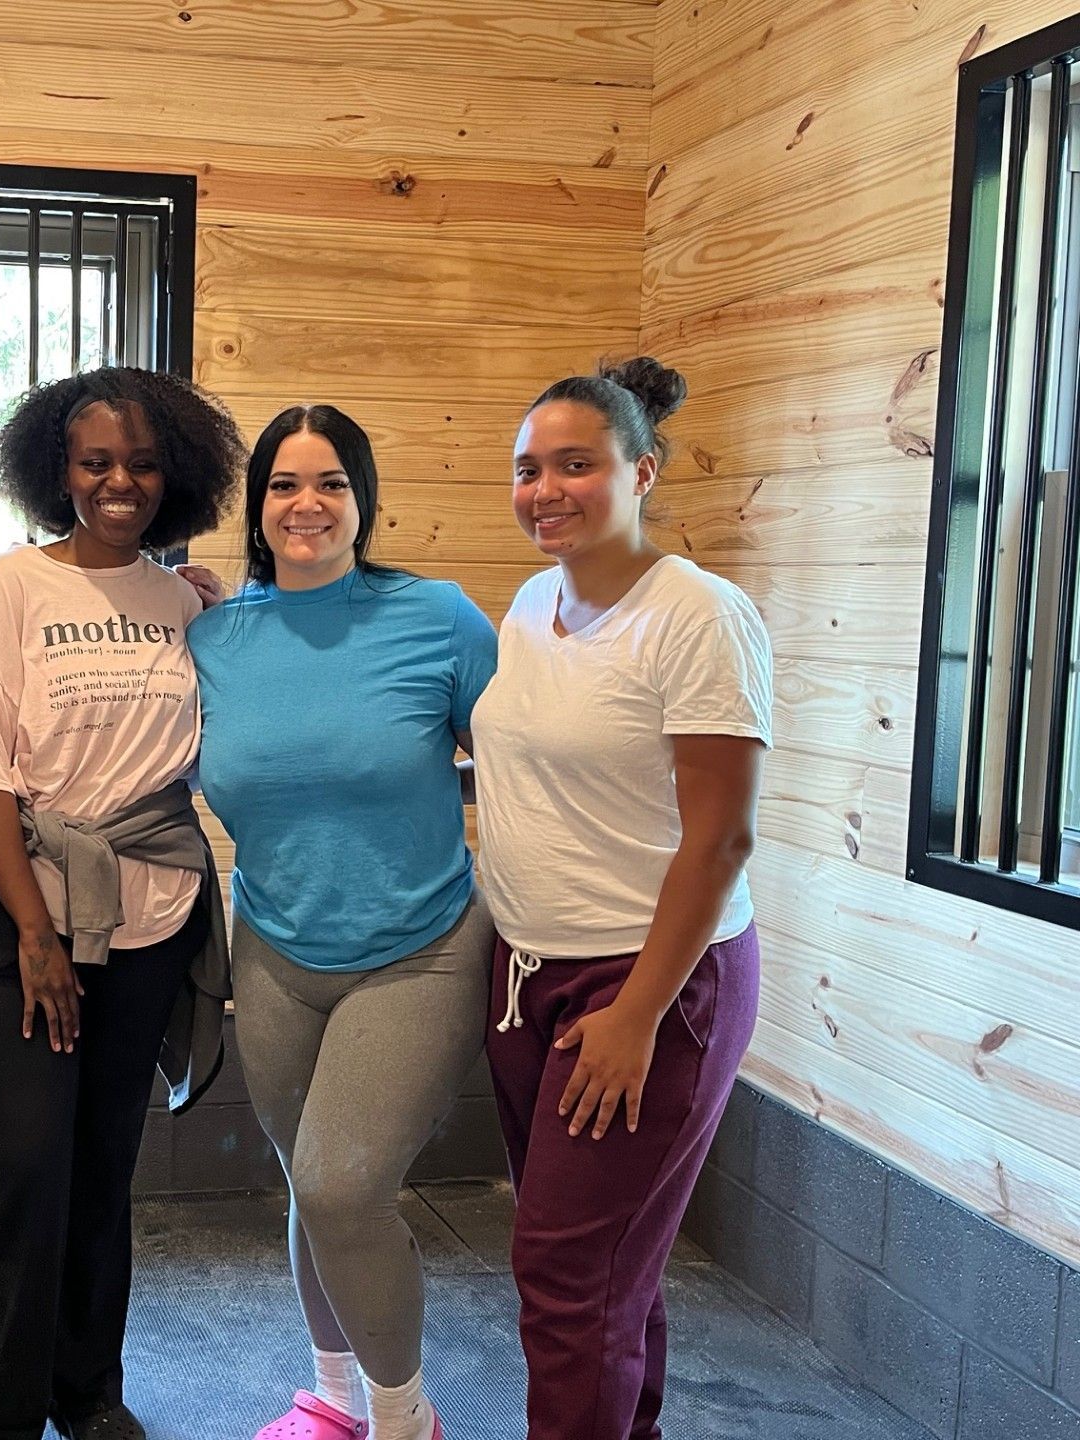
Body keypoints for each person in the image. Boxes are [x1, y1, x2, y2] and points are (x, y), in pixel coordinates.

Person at [0, 367, 245, 1440]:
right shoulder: (12, 585)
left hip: (154, 918)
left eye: (143, 464)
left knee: (106, 1164)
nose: (120, 482)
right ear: (58, 471)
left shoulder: (184, 602)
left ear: (175, 473)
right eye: (97, 462)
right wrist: (34, 934)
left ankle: (89, 1391)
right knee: (27, 1165)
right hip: (31, 915)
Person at [471, 358, 772, 1440]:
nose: (545, 490)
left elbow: (722, 837)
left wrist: (639, 1012)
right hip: (527, 975)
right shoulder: (532, 603)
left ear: (641, 471)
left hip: (647, 982)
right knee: (603, 1274)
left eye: (576, 465)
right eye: (528, 469)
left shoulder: (698, 616)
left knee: (568, 1276)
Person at [183, 405, 497, 1440]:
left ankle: (404, 1418)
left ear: (364, 501)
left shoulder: (439, 619)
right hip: (274, 947)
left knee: (341, 1187)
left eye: (331, 483)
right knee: (305, 1183)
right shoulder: (215, 638)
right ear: (257, 505)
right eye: (284, 483)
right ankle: (332, 1398)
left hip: (420, 949)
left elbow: (523, 771)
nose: (306, 503)